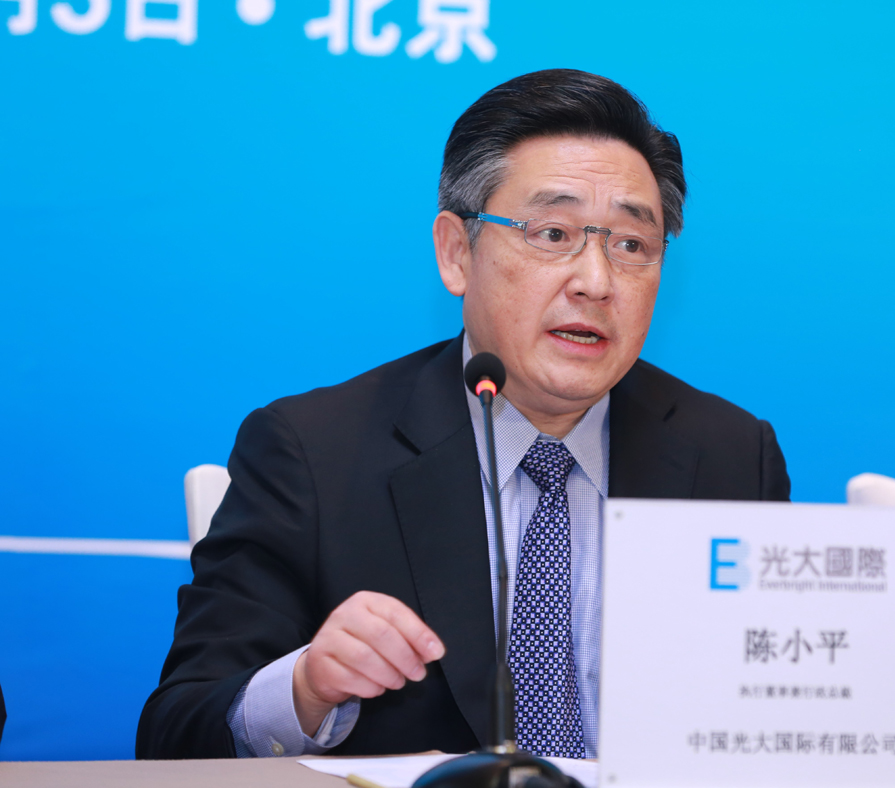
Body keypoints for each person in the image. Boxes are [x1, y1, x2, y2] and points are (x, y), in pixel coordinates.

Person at [136, 69, 790, 761]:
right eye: (553, 233)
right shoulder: (313, 452)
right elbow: (176, 732)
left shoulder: (730, 454)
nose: (596, 282)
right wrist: (305, 688)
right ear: (456, 253)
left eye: (631, 245)